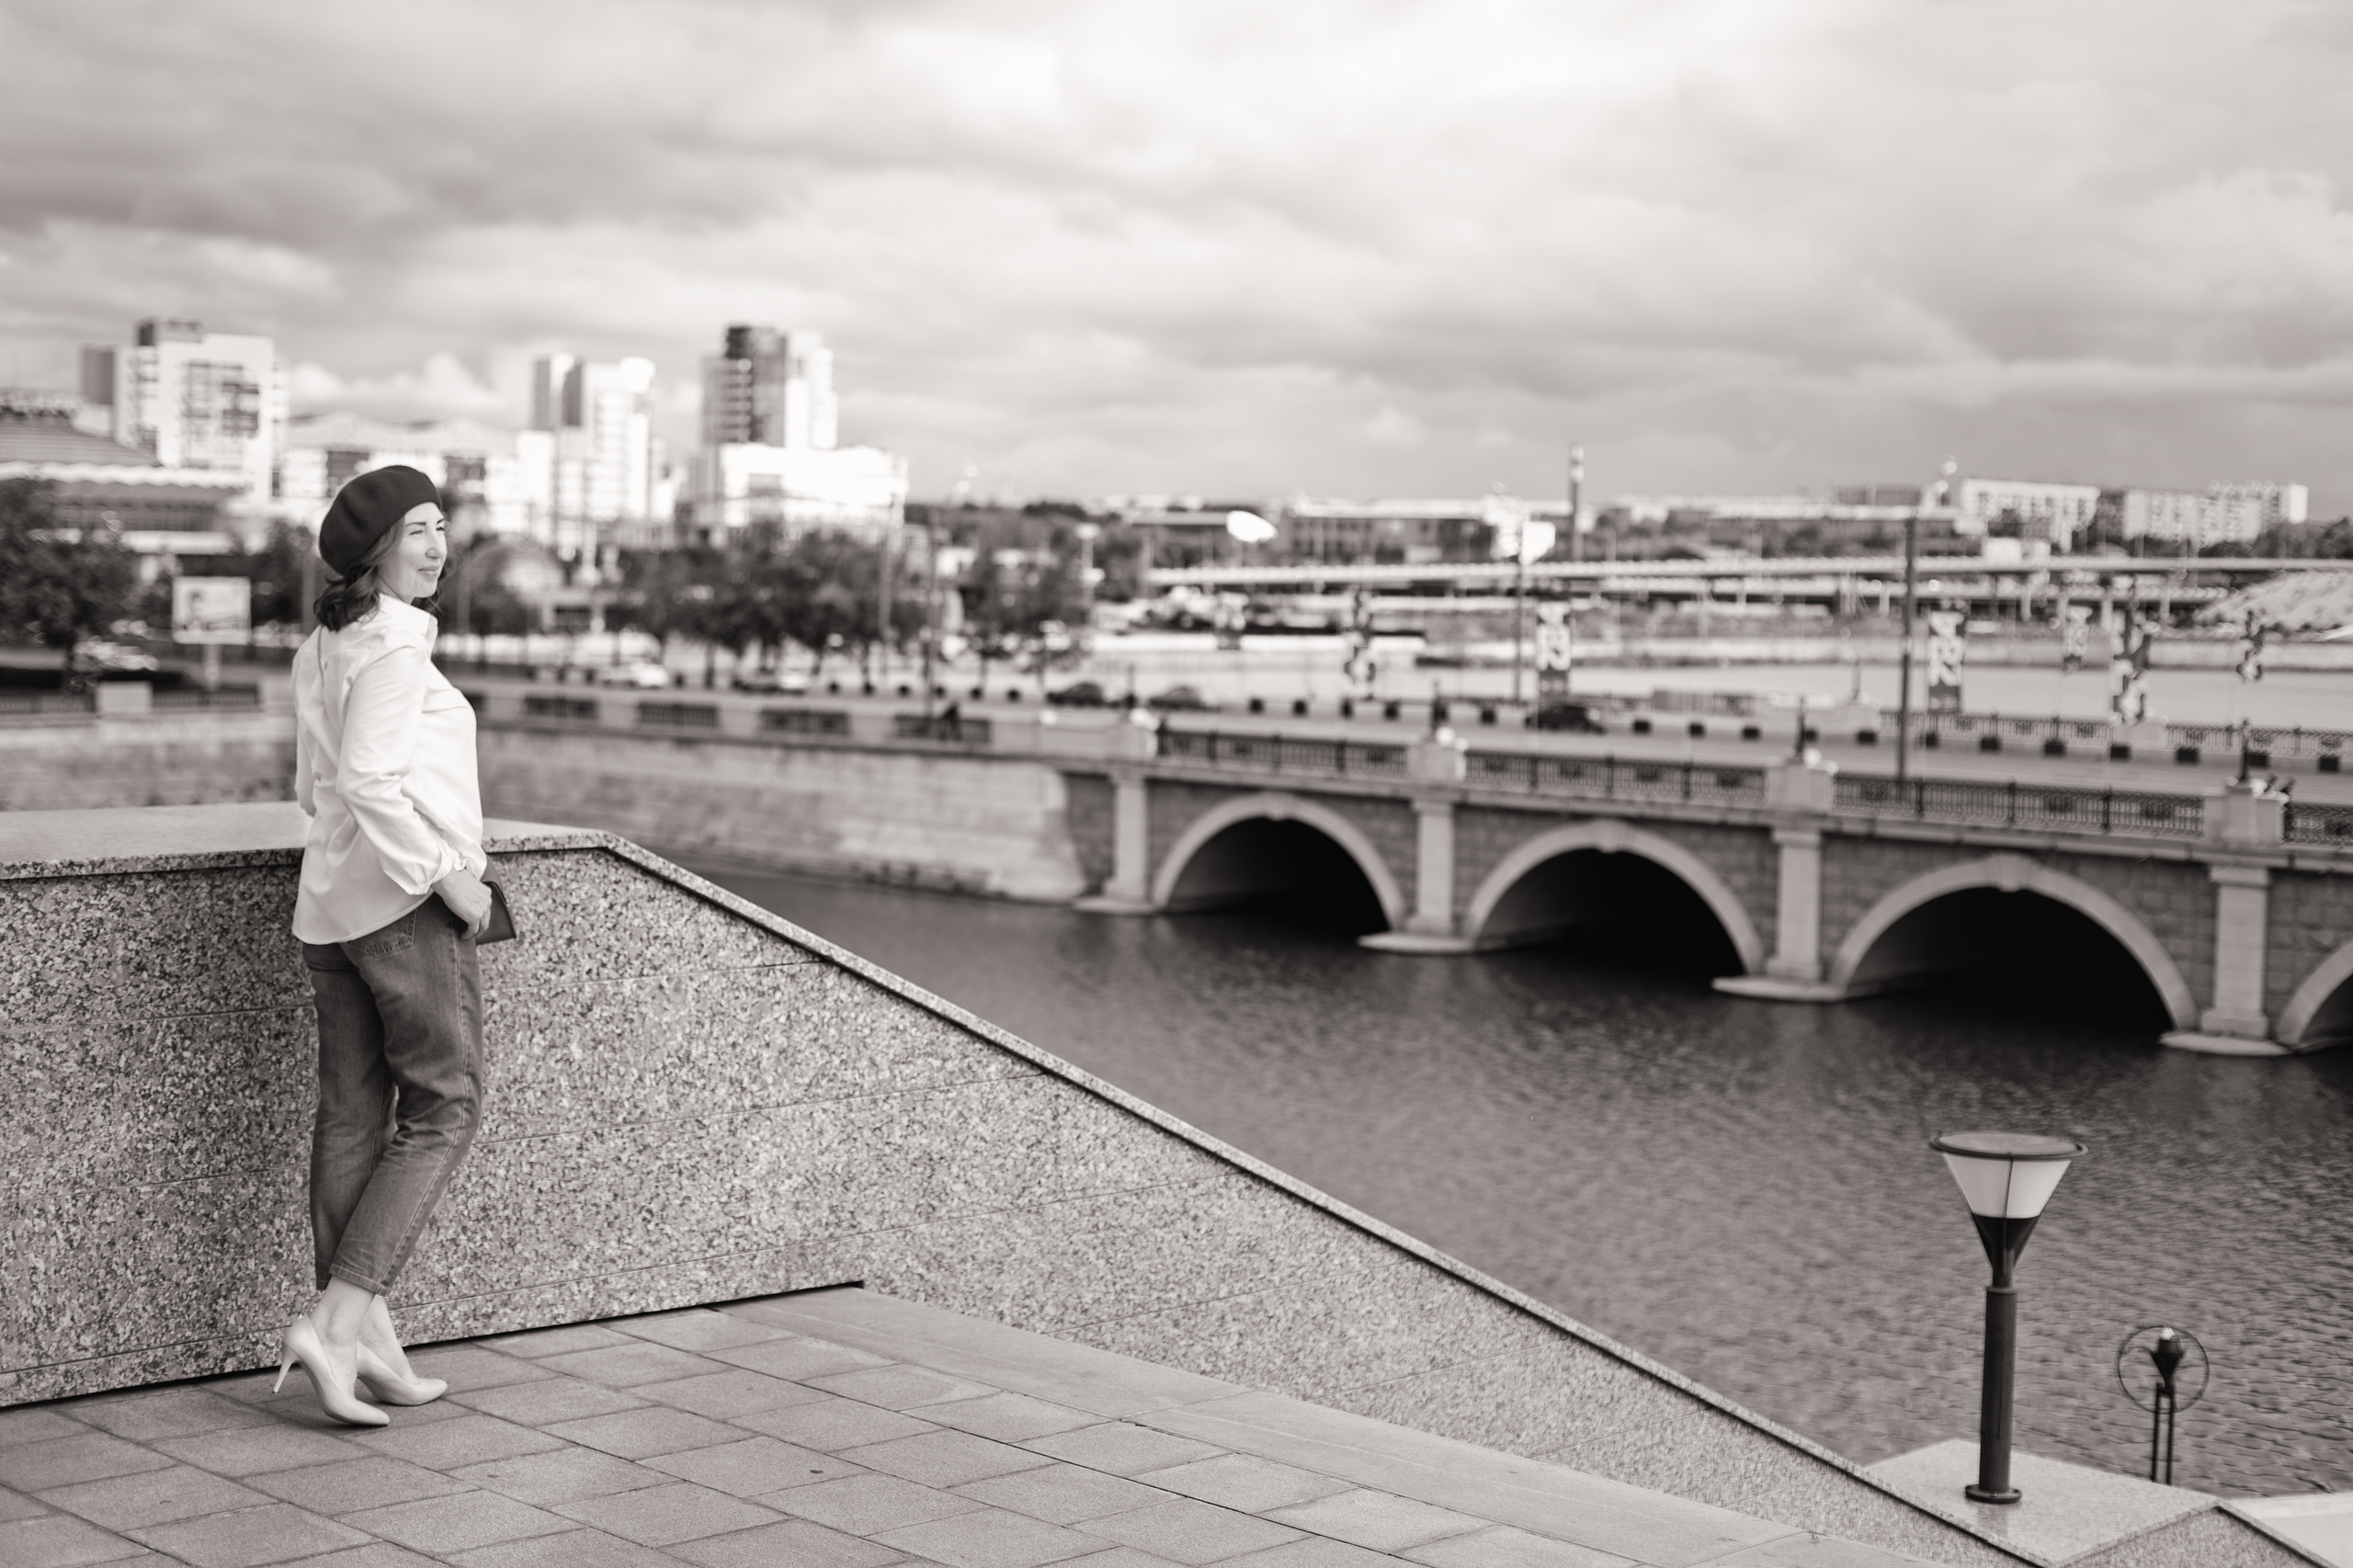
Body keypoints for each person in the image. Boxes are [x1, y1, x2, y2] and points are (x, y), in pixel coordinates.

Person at [279, 465, 494, 1426]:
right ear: (373, 549)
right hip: (401, 909)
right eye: (416, 528)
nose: (437, 544)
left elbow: (309, 788)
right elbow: (371, 780)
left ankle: (364, 1338)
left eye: (442, 526)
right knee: (445, 1106)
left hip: (329, 904)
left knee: (352, 1117)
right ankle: (337, 1319)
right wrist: (446, 874)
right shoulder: (400, 642)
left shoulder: (320, 644)